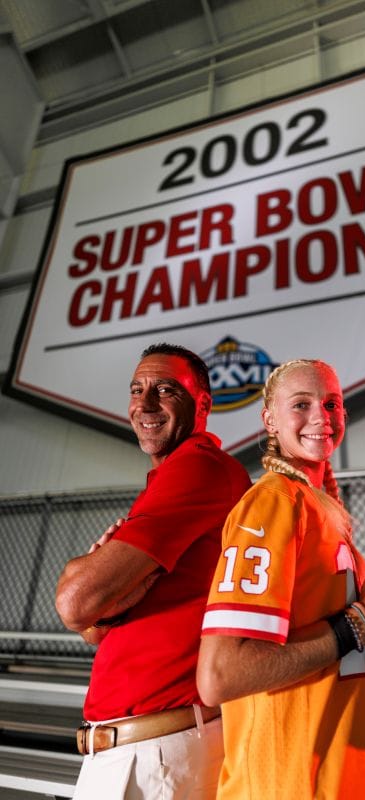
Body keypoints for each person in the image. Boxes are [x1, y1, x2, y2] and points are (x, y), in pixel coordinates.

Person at [197, 359, 365, 799]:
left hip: (342, 777)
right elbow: (220, 674)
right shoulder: (272, 503)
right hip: (285, 783)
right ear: (270, 420)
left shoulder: (328, 512)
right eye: (301, 404)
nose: (321, 416)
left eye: (332, 404)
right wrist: (360, 624)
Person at [55, 343, 251, 800]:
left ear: (203, 404)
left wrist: (81, 573)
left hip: (157, 755)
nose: (144, 405)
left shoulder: (200, 468)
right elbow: (93, 626)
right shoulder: (170, 478)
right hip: (142, 750)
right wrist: (100, 599)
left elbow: (74, 603)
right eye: (136, 389)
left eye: (165, 390)